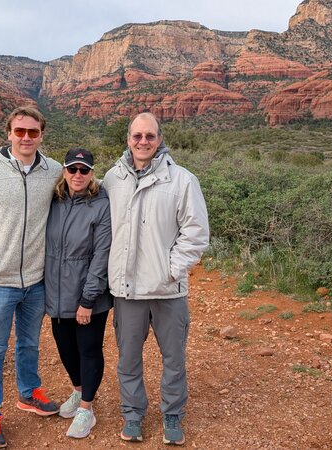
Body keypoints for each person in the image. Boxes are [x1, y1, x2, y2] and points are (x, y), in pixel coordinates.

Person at [102, 111, 209, 446]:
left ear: (159, 139)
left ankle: (172, 414)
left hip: (168, 291)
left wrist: (172, 269)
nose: (143, 142)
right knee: (128, 360)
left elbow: (196, 233)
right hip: (127, 290)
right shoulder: (112, 179)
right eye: (137, 136)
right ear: (128, 139)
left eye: (150, 136)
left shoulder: (182, 180)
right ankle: (132, 415)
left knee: (174, 359)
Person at [0, 105, 62, 450]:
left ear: (41, 134)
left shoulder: (54, 171)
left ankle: (29, 393)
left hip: (36, 279)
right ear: (9, 134)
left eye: (33, 132)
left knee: (30, 341)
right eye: (20, 131)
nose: (26, 137)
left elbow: (80, 192)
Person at [44, 148, 112, 439]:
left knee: (88, 350)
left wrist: (88, 300)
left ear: (92, 173)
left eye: (84, 170)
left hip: (88, 295)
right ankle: (78, 390)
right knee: (65, 349)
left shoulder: (100, 204)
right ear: (64, 171)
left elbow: (101, 255)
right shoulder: (54, 201)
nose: (78, 175)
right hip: (57, 292)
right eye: (73, 169)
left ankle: (87, 408)